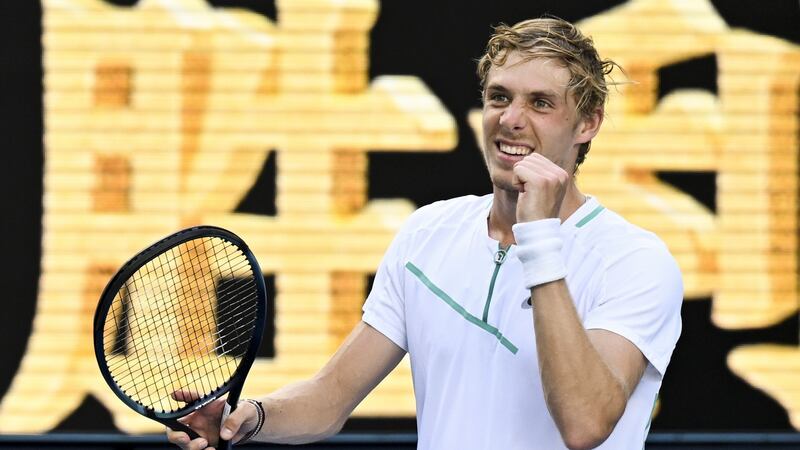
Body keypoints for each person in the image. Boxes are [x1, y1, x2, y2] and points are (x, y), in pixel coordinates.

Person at [167, 16, 682, 450]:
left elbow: (586, 423)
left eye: (540, 104)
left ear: (587, 124)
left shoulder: (634, 259)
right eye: (499, 97)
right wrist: (248, 418)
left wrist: (540, 237)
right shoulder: (428, 233)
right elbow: (330, 396)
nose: (511, 119)